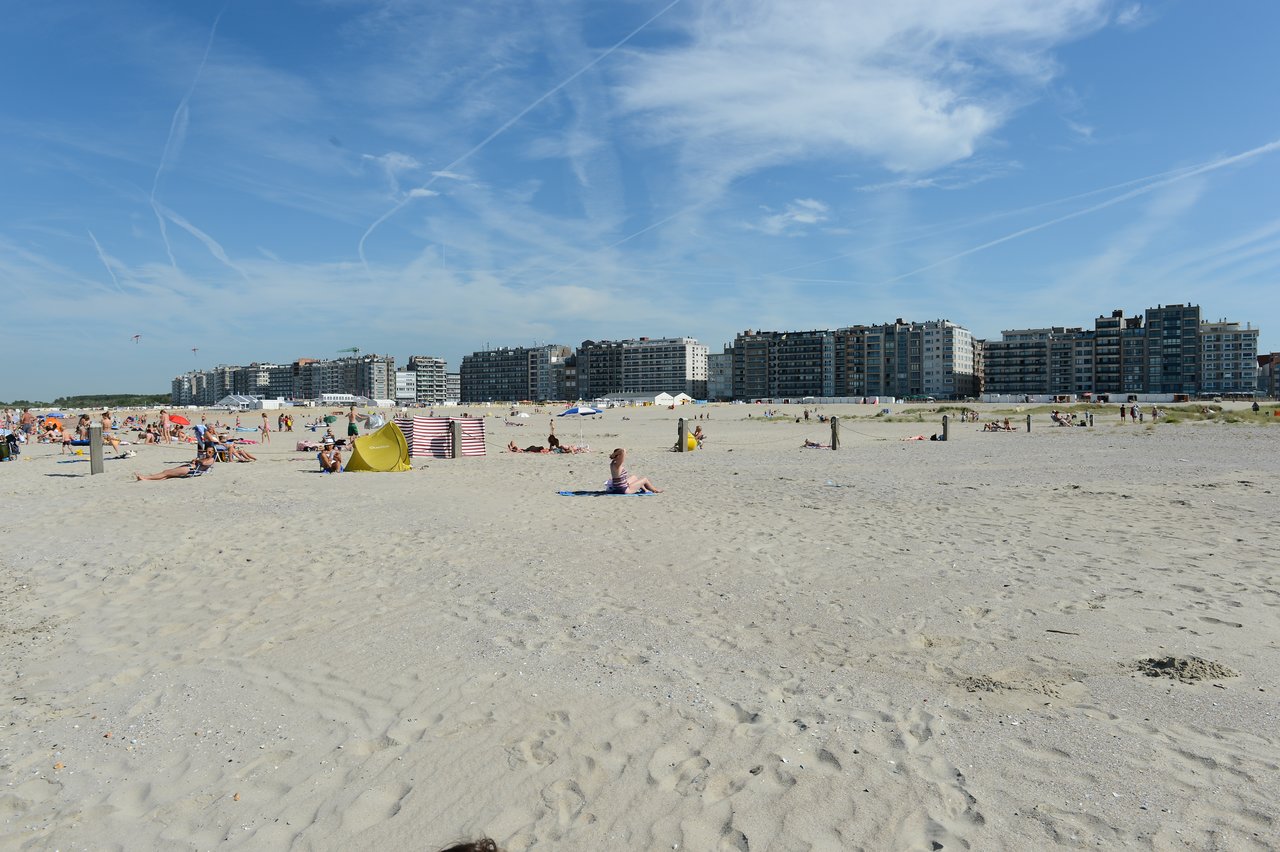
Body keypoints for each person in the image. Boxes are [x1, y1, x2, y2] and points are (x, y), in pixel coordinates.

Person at [135, 447, 215, 481]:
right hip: (191, 467)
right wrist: (195, 460)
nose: (208, 452)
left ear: (213, 452)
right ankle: (148, 478)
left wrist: (197, 460)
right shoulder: (205, 457)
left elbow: (204, 463)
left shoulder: (211, 459)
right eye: (207, 451)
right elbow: (199, 461)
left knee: (166, 472)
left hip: (192, 470)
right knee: (168, 474)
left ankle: (145, 477)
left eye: (210, 451)